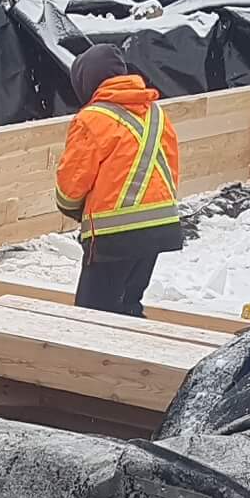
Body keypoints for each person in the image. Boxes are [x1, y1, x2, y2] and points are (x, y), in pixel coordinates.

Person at [53, 45, 182, 316]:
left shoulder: (92, 119)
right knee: (127, 306)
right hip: (159, 228)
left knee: (93, 315)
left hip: (113, 237)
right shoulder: (156, 114)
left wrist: (78, 209)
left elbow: (71, 186)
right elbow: (171, 168)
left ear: (87, 82)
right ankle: (135, 356)